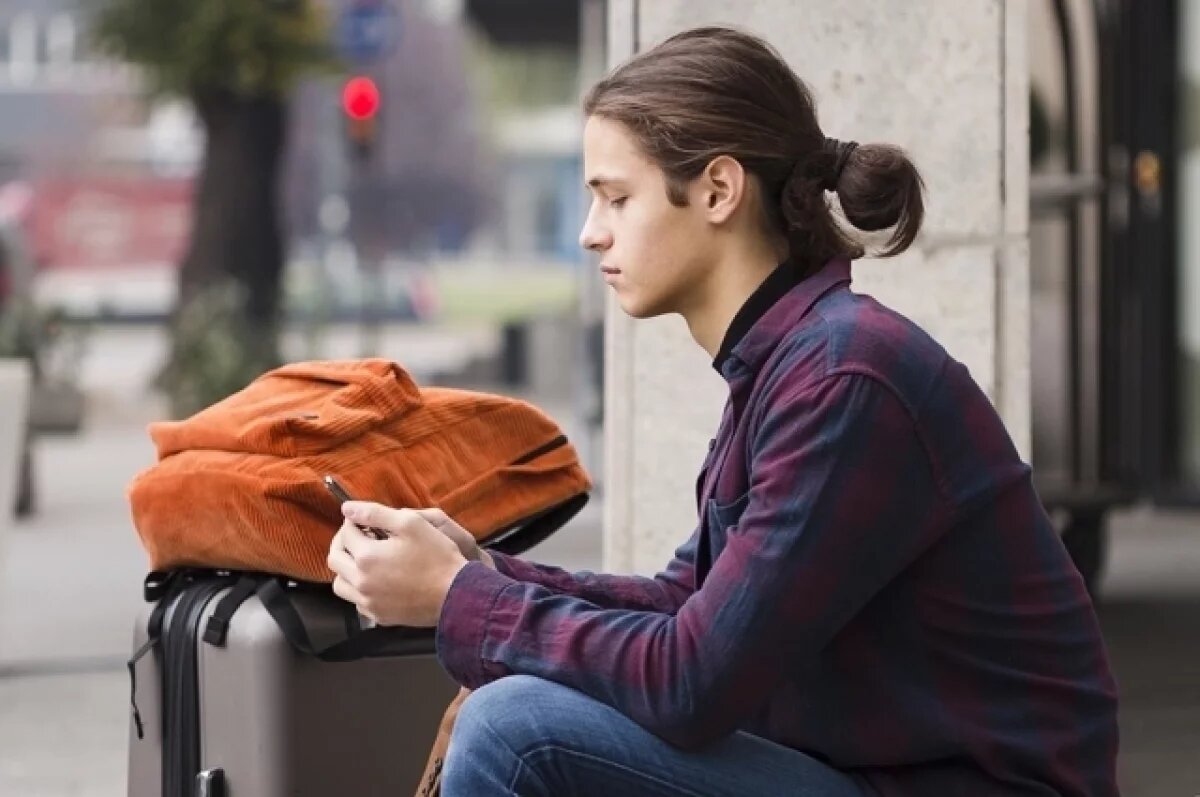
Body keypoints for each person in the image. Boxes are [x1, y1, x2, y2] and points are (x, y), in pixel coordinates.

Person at [325, 26, 1119, 797]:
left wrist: (460, 598)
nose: (590, 233)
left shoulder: (845, 380)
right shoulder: (793, 365)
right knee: (520, 706)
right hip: (875, 775)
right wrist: (482, 569)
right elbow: (687, 603)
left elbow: (692, 680)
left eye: (616, 198)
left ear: (717, 190)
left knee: (514, 727)